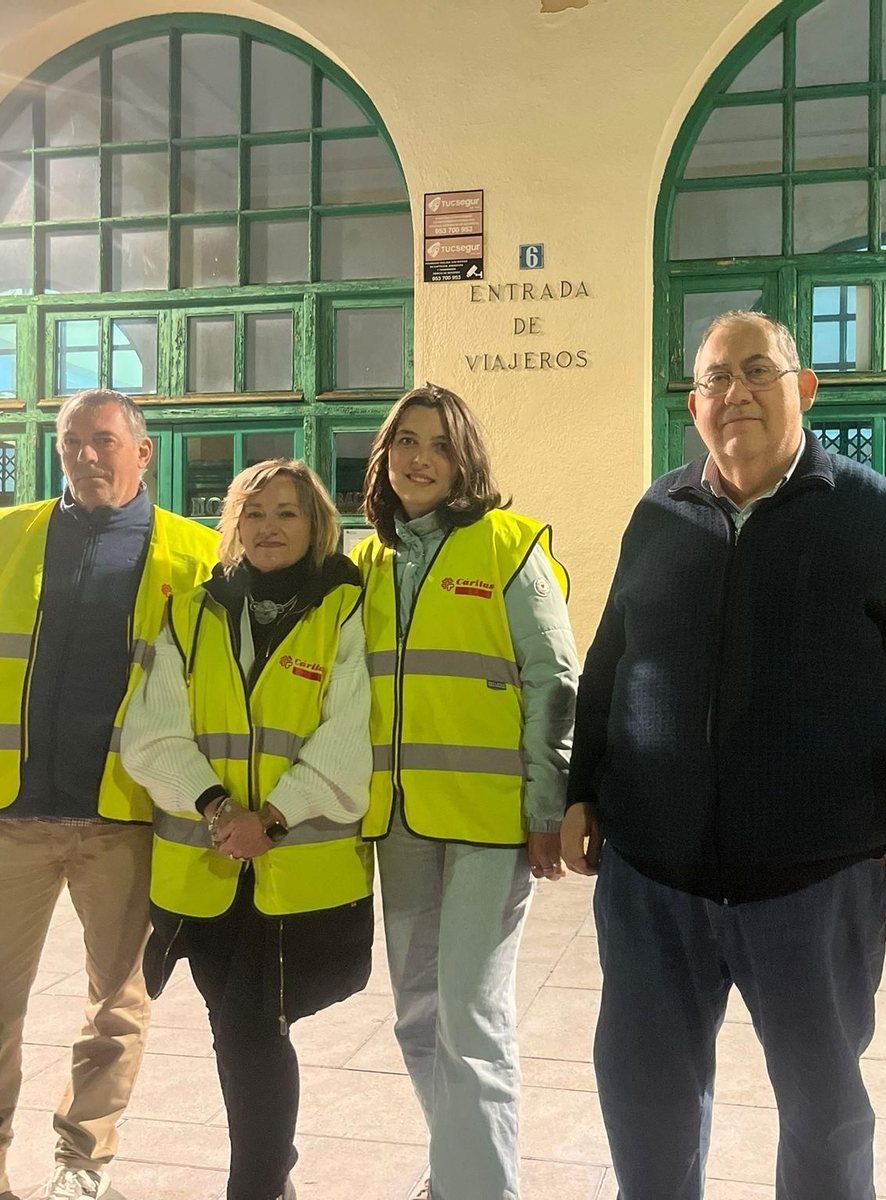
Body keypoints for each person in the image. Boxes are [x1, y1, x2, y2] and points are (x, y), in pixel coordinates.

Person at [562, 311, 886, 1200]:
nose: (735, 392)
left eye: (758, 371)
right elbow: (609, 662)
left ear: (805, 389)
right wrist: (580, 791)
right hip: (652, 883)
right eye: (716, 378)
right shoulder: (657, 511)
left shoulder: (868, 512)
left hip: (814, 886)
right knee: (644, 1105)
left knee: (824, 1116)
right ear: (694, 403)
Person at [0, 389, 219, 1200]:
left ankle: (82, 1164)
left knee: (118, 1005)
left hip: (124, 822)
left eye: (105, 441)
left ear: (142, 454)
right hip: (6, 823)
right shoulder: (3, 538)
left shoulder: (195, 556)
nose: (86, 455)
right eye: (71, 441)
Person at [119, 459, 373, 1200]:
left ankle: (256, 1184)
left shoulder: (345, 608)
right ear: (234, 523)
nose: (269, 528)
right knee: (236, 1029)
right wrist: (218, 809)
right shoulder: (193, 611)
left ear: (316, 522)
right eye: (254, 513)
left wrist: (275, 815)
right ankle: (269, 1177)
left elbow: (350, 730)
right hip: (207, 870)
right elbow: (152, 731)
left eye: (287, 513)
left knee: (252, 1026)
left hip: (299, 871)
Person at [350, 383, 578, 1200]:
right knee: (417, 1016)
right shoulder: (365, 561)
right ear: (384, 456)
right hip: (399, 822)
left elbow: (556, 682)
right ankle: (459, 1169)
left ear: (464, 459)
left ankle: (480, 1191)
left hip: (491, 826)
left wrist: (547, 810)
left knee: (471, 1021)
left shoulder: (510, 545)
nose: (419, 458)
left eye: (439, 445)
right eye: (405, 441)